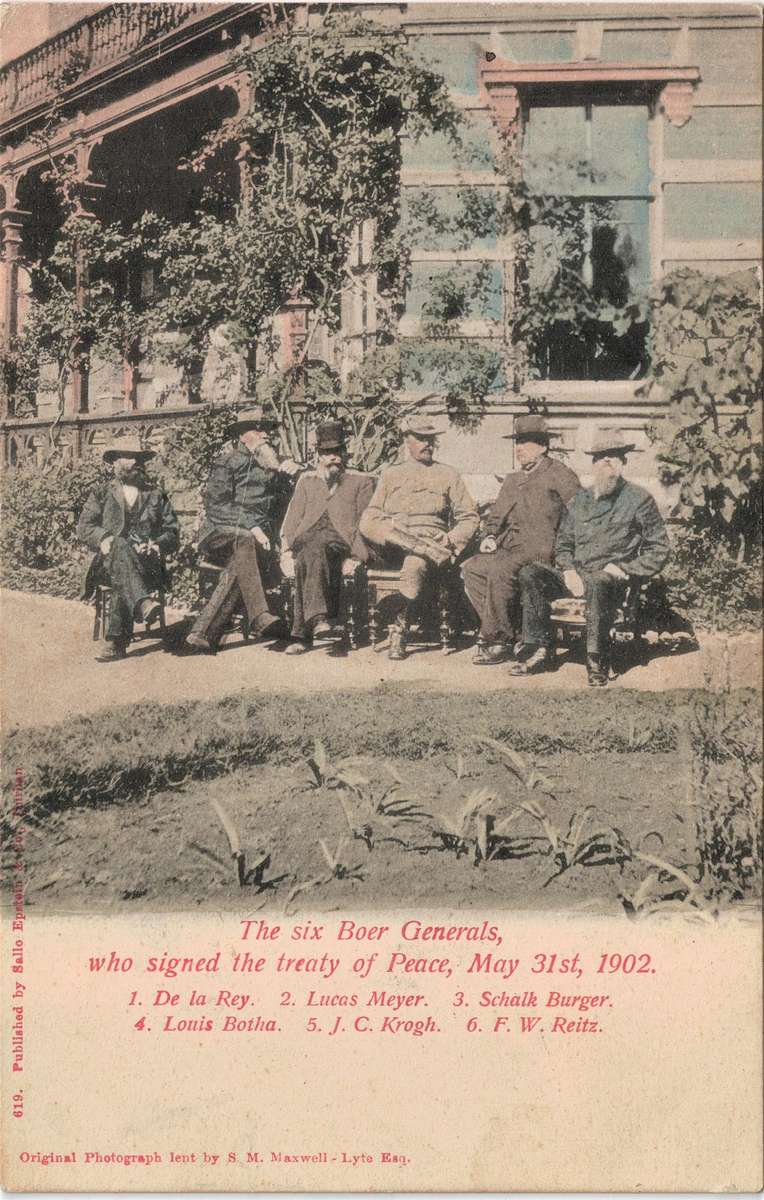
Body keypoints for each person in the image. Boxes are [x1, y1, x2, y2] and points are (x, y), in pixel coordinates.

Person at [512, 431, 670, 686]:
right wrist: (568, 570)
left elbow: (659, 548)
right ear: (593, 464)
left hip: (612, 581)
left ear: (624, 463)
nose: (607, 462)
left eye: (614, 457)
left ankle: (597, 658)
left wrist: (625, 568)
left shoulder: (638, 499)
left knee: (598, 580)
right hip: (577, 576)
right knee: (531, 573)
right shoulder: (581, 501)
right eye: (600, 457)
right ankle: (541, 648)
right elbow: (563, 544)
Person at [461, 414, 580, 665]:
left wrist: (568, 555)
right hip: (509, 547)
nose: (519, 448)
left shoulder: (560, 474)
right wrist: (490, 536)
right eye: (517, 442)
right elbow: (495, 517)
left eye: (525, 442)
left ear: (543, 446)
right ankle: (514, 633)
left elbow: (580, 515)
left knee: (501, 570)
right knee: (473, 568)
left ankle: (496, 639)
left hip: (542, 547)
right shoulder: (513, 480)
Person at [358, 416, 479, 660]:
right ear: (407, 441)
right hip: (394, 541)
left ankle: (399, 632)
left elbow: (469, 517)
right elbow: (371, 515)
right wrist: (391, 532)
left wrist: (448, 539)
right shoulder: (391, 474)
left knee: (415, 562)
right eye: (421, 439)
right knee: (370, 524)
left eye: (430, 439)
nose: (428, 444)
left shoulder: (448, 475)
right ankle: (421, 548)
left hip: (431, 539)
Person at [185, 406, 301, 654]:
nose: (265, 434)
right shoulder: (227, 462)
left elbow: (288, 500)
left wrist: (294, 471)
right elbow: (216, 507)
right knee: (245, 539)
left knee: (241, 559)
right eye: (257, 429)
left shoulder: (274, 463)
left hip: (254, 540)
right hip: (218, 532)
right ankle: (259, 615)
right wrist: (252, 526)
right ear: (241, 436)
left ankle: (202, 633)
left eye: (267, 429)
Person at [78, 435, 179, 662]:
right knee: (120, 547)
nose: (131, 462)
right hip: (107, 563)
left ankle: (116, 642)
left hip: (148, 565)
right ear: (115, 463)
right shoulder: (101, 493)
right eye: (125, 457)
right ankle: (143, 603)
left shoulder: (155, 494)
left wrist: (156, 545)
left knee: (122, 573)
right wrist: (102, 538)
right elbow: (85, 527)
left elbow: (172, 531)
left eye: (135, 458)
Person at [279, 421, 375, 654]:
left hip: (341, 539)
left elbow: (366, 521)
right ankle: (320, 621)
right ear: (318, 456)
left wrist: (356, 556)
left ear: (344, 453)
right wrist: (285, 550)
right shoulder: (307, 481)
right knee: (308, 550)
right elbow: (292, 517)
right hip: (307, 537)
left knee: (311, 550)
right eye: (326, 453)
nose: (332, 458)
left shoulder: (361, 481)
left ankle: (303, 634)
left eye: (337, 452)